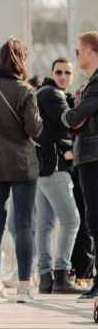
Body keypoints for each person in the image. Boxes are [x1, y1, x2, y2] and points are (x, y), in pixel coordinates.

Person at [0, 38, 43, 303]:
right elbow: (34, 129)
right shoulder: (25, 91)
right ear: (21, 60)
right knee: (24, 225)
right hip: (23, 165)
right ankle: (24, 288)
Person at [34, 58, 84, 294]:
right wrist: (67, 147)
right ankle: (62, 276)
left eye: (67, 72)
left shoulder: (42, 93)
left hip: (40, 168)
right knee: (71, 220)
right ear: (51, 73)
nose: (63, 76)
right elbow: (71, 122)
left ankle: (45, 278)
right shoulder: (53, 95)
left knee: (44, 225)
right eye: (59, 72)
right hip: (54, 167)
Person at [62, 31, 98, 301]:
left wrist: (69, 113)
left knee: (94, 221)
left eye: (78, 51)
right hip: (89, 155)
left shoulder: (95, 84)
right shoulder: (90, 85)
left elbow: (74, 117)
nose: (77, 55)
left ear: (88, 50)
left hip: (93, 157)